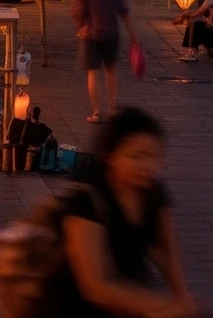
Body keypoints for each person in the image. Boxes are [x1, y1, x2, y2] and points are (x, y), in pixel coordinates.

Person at [53, 108, 197, 318]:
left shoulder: (152, 190)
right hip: (75, 305)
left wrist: (182, 298)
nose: (148, 166)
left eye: (154, 156)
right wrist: (160, 306)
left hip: (126, 297)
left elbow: (165, 248)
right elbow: (95, 286)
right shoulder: (87, 200)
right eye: (136, 157)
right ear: (110, 156)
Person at [73, 0, 136, 124]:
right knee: (111, 71)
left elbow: (78, 10)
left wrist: (82, 26)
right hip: (111, 33)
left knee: (92, 73)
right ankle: (112, 108)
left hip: (90, 34)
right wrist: (132, 34)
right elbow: (123, 11)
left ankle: (96, 111)